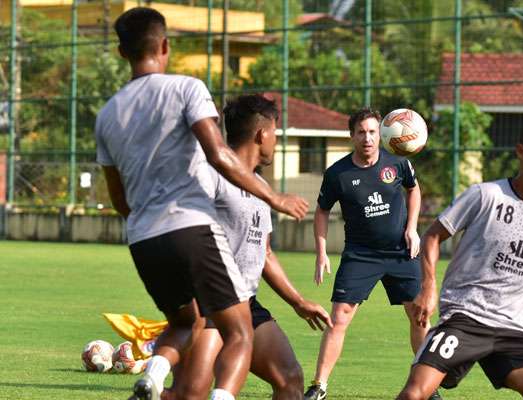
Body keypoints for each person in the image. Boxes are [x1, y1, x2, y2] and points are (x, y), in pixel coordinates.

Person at [96, 8, 308, 400]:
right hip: (192, 230)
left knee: (181, 324)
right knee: (238, 333)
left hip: (142, 237)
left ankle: (153, 376)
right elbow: (218, 154)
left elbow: (119, 198)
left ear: (122, 52)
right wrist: (275, 198)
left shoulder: (107, 115)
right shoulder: (185, 89)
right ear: (164, 46)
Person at [396, 121, 523, 400]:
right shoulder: (485, 196)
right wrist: (429, 288)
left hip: (512, 331)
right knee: (415, 394)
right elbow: (431, 237)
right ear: (521, 152)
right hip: (464, 319)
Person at [163, 94, 332, 400]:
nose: (276, 142)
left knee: (290, 380)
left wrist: (297, 301)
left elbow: (264, 252)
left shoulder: (261, 187)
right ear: (261, 133)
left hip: (246, 302)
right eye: (276, 134)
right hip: (210, 301)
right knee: (192, 393)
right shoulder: (212, 175)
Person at [304, 108, 440, 400]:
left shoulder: (399, 162)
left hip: (401, 252)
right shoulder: (337, 174)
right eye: (361, 132)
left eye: (372, 132)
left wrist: (413, 228)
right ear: (351, 136)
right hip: (360, 254)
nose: (367, 138)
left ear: (381, 134)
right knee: (339, 317)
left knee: (419, 316)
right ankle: (318, 386)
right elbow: (322, 211)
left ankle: (429, 388)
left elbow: (414, 191)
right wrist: (321, 251)